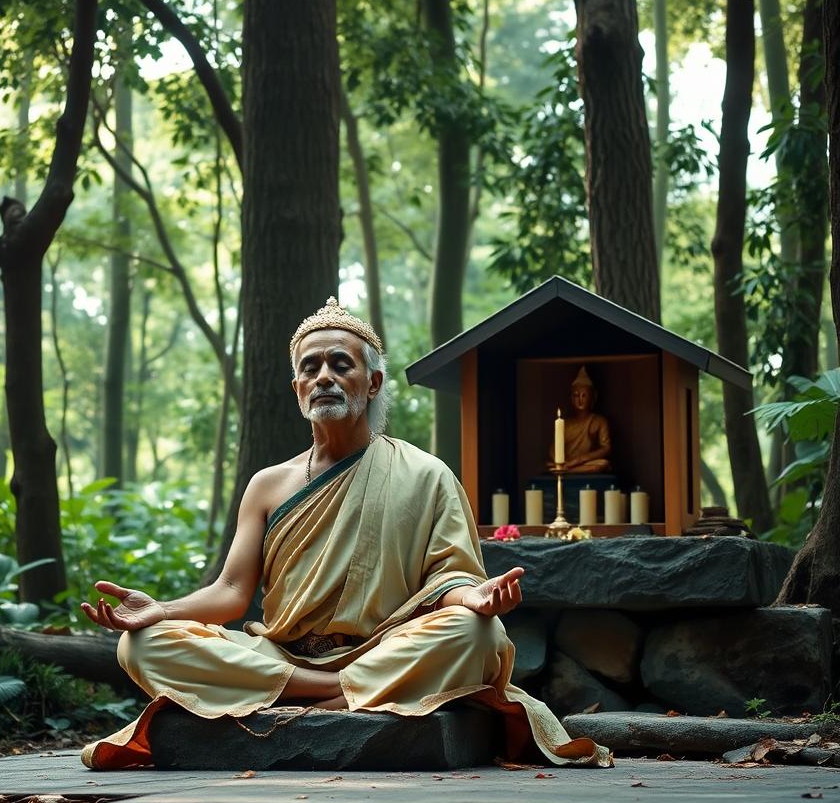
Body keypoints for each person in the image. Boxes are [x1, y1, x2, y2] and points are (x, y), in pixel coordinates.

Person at [80, 298, 611, 769]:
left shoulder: (425, 474)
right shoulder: (268, 484)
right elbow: (232, 592)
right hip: (283, 657)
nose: (324, 377)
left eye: (341, 364)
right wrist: (162, 610)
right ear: (297, 388)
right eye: (310, 368)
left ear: (372, 382)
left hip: (386, 648)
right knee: (141, 645)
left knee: (479, 636)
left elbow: (450, 579)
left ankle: (297, 697)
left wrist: (475, 597)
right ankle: (336, 693)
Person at [547, 366, 613, 473]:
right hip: (567, 461)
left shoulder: (599, 421)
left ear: (593, 397)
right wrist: (559, 459)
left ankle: (567, 470)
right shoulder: (565, 424)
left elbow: (606, 448)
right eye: (576, 395)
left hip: (586, 463)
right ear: (571, 398)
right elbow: (553, 450)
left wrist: (580, 459)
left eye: (584, 395)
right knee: (548, 464)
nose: (580, 400)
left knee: (603, 463)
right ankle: (567, 468)